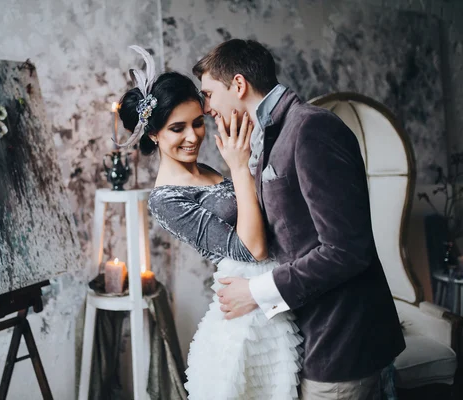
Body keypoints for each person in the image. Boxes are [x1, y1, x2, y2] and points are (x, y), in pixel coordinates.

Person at [193, 38, 405, 399]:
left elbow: (346, 250)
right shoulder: (264, 139)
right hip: (305, 340)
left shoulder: (311, 128)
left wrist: (256, 293)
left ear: (239, 84)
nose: (207, 107)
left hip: (340, 346)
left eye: (209, 94)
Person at [116, 46, 302, 399]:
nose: (193, 137)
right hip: (245, 321)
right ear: (153, 134)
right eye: (177, 128)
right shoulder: (166, 199)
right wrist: (239, 166)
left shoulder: (208, 171)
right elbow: (253, 248)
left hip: (269, 298)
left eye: (198, 122)